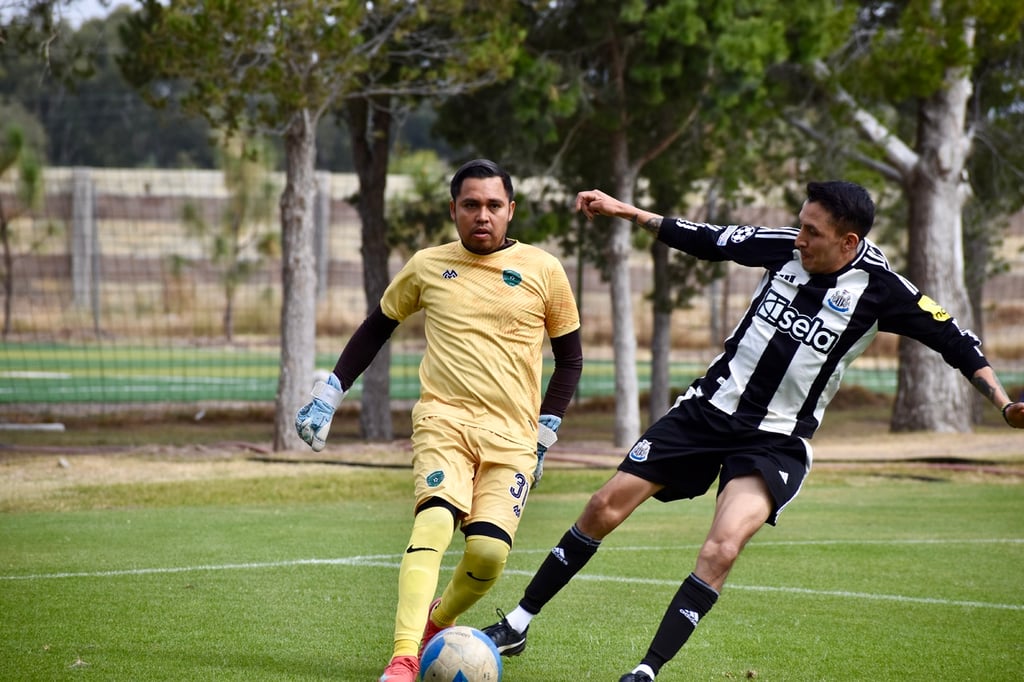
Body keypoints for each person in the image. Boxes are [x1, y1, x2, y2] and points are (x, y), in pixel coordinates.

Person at [481, 180, 1024, 682]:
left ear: (848, 240)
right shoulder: (784, 247)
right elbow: (710, 240)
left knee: (721, 549)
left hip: (775, 442)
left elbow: (958, 343)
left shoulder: (884, 290)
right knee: (603, 507)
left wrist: (1002, 405)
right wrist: (627, 211)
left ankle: (645, 672)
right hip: (706, 411)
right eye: (801, 224)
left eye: (813, 231)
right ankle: (519, 624)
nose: (800, 237)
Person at [294, 159, 583, 682]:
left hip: (513, 438)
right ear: (454, 210)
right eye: (470, 204)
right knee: (433, 523)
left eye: (494, 205)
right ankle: (404, 657)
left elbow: (571, 359)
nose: (482, 215)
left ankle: (438, 622)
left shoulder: (544, 270)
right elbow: (376, 327)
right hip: (443, 422)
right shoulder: (428, 265)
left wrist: (546, 433)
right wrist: (332, 390)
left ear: (510, 211)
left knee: (490, 553)